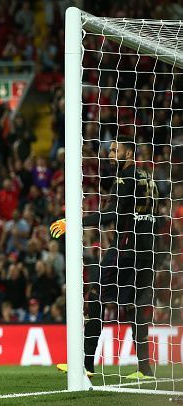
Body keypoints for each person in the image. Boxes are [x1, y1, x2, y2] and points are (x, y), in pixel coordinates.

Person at [51, 135, 158, 379]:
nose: (109, 155)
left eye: (114, 151)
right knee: (135, 307)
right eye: (109, 151)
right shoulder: (147, 177)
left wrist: (76, 222)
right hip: (148, 249)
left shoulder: (124, 178)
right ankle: (145, 369)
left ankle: (85, 364)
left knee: (95, 295)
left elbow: (111, 213)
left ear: (129, 153)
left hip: (126, 246)